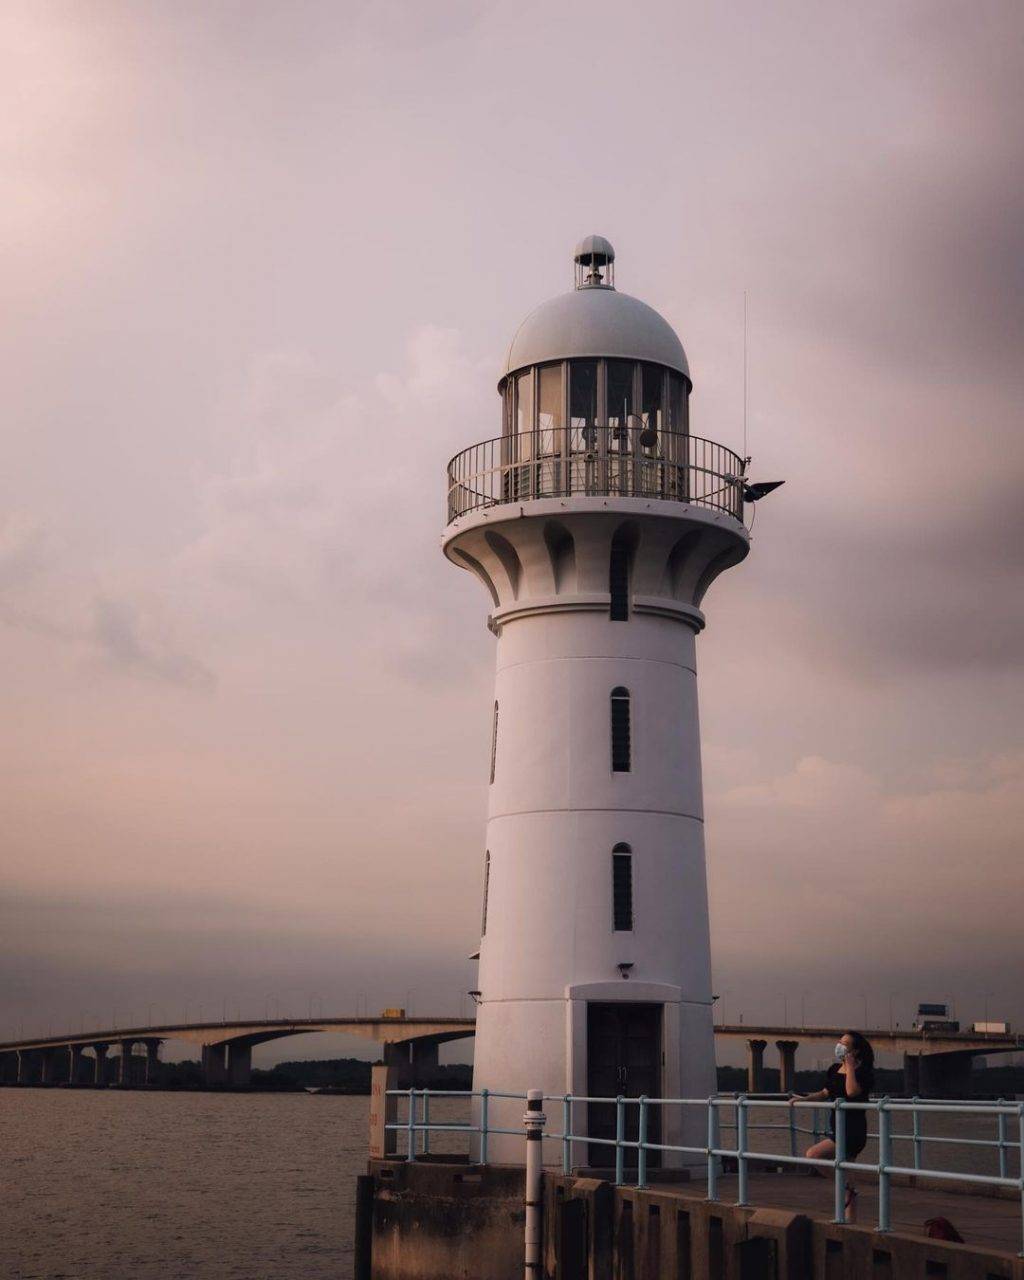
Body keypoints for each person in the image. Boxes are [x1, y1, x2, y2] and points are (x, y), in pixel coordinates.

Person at [789, 1030, 875, 1221]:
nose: (840, 1046)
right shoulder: (834, 1069)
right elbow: (825, 1093)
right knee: (847, 1172)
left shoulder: (863, 1072)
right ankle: (849, 1220)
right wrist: (803, 1099)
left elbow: (851, 1092)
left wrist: (850, 1067)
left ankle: (847, 1191)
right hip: (838, 1127)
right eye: (839, 1042)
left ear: (855, 1051)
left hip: (853, 1130)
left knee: (813, 1155)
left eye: (845, 1044)